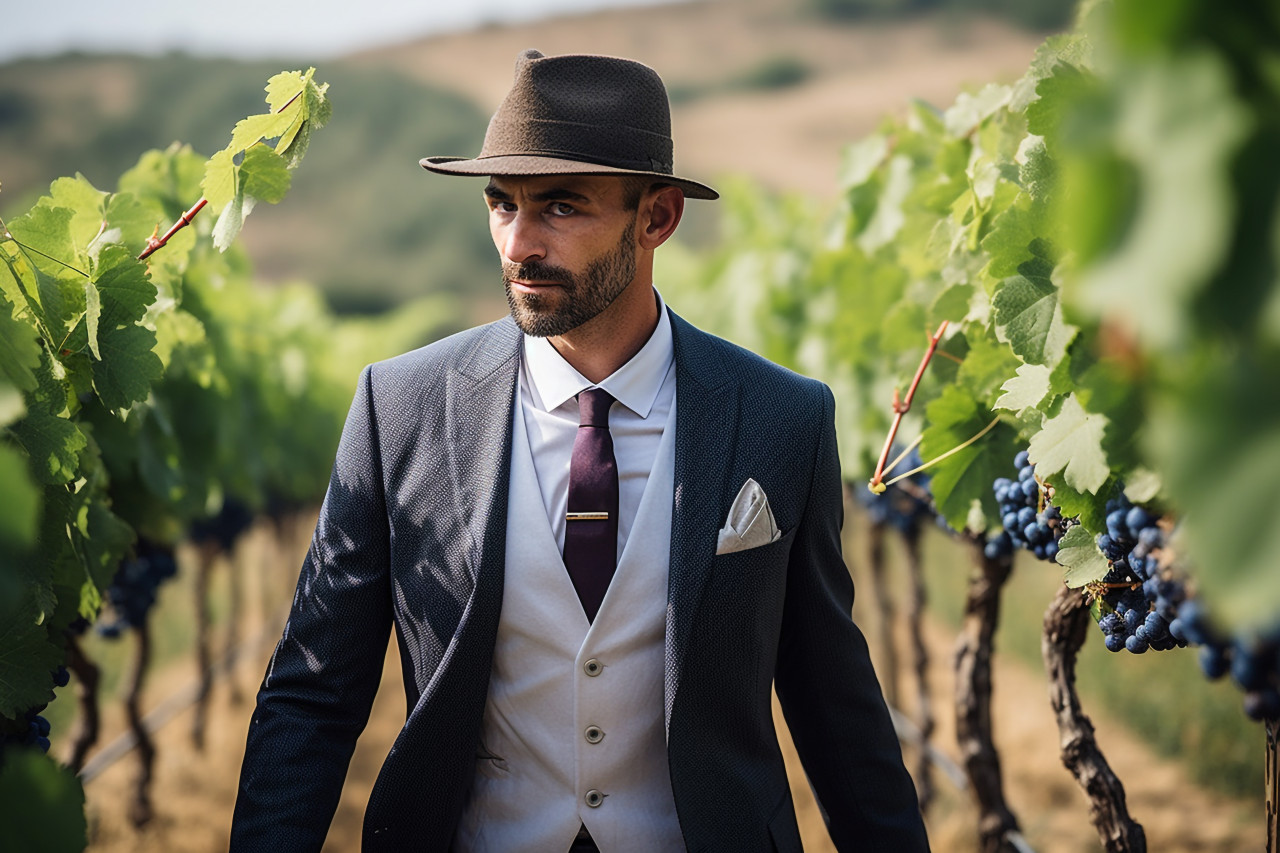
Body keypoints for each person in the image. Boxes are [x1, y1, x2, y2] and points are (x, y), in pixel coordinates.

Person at [230, 49, 928, 853]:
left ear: (658, 218)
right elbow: (313, 694)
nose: (519, 242)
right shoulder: (402, 406)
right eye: (501, 204)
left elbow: (835, 706)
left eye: (560, 207)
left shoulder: (782, 416)